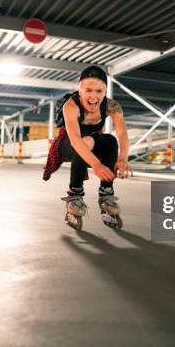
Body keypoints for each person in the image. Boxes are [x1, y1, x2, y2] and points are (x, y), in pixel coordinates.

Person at [43, 65, 132, 229]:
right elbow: (76, 140)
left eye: (99, 91)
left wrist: (123, 158)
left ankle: (106, 194)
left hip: (90, 142)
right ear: (80, 90)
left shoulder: (111, 106)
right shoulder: (71, 106)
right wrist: (97, 164)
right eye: (88, 90)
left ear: (105, 92)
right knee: (87, 142)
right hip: (67, 145)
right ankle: (75, 195)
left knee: (110, 140)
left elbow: (123, 134)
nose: (93, 96)